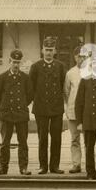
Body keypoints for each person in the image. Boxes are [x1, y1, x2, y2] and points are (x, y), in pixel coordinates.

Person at [29, 36, 66, 174]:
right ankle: (43, 166)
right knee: (42, 138)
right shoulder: (36, 67)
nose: (49, 52)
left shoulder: (60, 66)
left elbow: (63, 86)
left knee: (56, 138)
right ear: (42, 50)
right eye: (46, 49)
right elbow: (30, 87)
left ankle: (54, 166)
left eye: (51, 50)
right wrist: (35, 100)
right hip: (41, 108)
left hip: (56, 108)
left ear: (55, 51)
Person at [0, 49, 34, 176]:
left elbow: (30, 95)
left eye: (18, 62)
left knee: (23, 142)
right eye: (14, 62)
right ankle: (3, 167)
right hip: (6, 114)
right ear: (9, 61)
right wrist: (6, 106)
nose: (16, 65)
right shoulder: (2, 77)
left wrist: (20, 105)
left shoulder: (25, 78)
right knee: (5, 142)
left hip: (21, 114)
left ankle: (23, 168)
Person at [64, 46, 88, 174]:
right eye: (79, 56)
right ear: (75, 57)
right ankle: (76, 164)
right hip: (73, 111)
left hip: (87, 112)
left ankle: (89, 164)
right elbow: (66, 92)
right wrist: (69, 107)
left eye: (83, 56)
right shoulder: (70, 73)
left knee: (88, 140)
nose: (81, 59)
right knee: (74, 139)